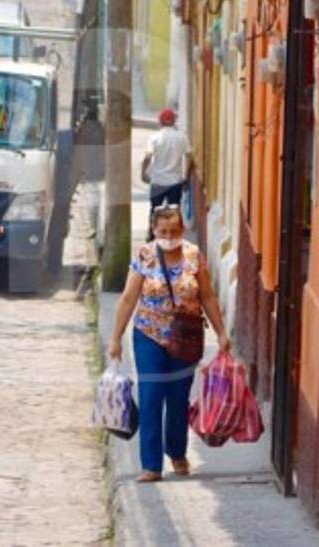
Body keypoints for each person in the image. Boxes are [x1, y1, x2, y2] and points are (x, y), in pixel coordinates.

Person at [107, 206, 230, 482]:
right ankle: (151, 465)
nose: (168, 236)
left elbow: (208, 296)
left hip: (185, 338)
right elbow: (128, 298)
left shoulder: (193, 256)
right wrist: (115, 338)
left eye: (174, 231)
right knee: (151, 397)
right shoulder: (145, 256)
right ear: (154, 230)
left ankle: (176, 452)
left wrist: (222, 333)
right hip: (148, 335)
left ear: (182, 230)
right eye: (163, 231)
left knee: (177, 399)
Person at [142, 107, 192, 214]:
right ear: (174, 121)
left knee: (155, 211)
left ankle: (154, 230)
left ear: (160, 121)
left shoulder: (154, 137)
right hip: (175, 182)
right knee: (174, 211)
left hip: (158, 182)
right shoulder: (182, 137)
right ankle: (174, 230)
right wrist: (186, 177)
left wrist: (143, 173)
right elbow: (189, 156)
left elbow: (147, 157)